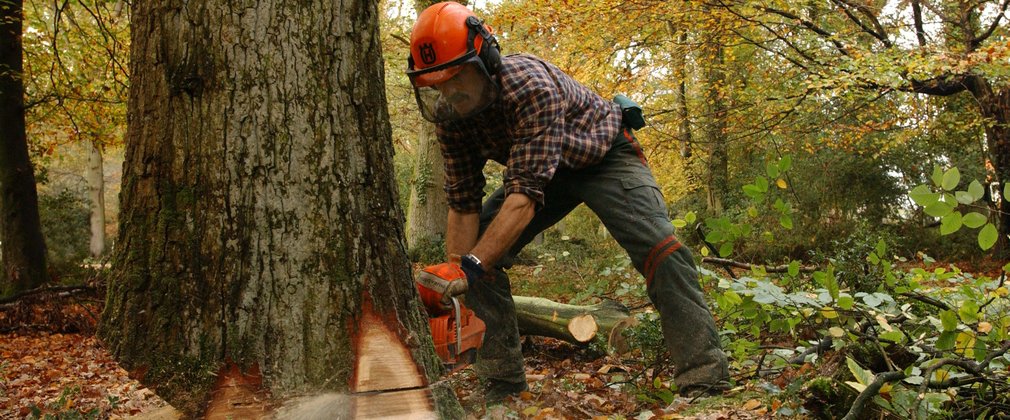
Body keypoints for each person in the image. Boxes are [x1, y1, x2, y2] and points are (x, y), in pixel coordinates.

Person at [406, 1, 729, 404]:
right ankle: (503, 389)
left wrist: (471, 266)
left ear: (486, 59)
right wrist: (456, 271)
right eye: (438, 84)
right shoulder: (451, 117)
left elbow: (523, 196)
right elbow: (462, 201)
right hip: (540, 171)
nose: (450, 92)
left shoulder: (528, 87)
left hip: (603, 155)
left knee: (661, 249)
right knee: (476, 265)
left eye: (458, 78)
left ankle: (705, 381)